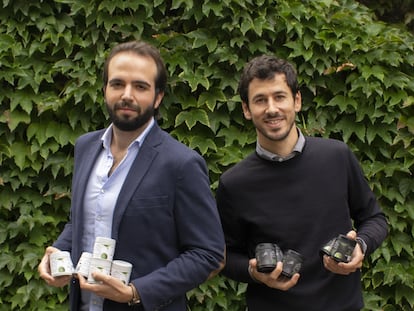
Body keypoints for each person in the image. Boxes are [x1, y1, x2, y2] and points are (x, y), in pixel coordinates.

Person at [38, 40, 225, 311]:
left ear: (158, 96)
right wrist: (58, 254)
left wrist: (136, 292)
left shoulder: (181, 163)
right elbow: (84, 220)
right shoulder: (85, 147)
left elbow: (208, 254)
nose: (127, 94)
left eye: (140, 86)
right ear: (104, 90)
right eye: (117, 84)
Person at [216, 55, 388, 311]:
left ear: (296, 101)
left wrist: (361, 246)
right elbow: (223, 257)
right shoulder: (234, 184)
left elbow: (375, 219)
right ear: (246, 109)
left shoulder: (337, 156)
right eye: (260, 100)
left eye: (279, 96)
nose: (271, 108)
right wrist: (254, 273)